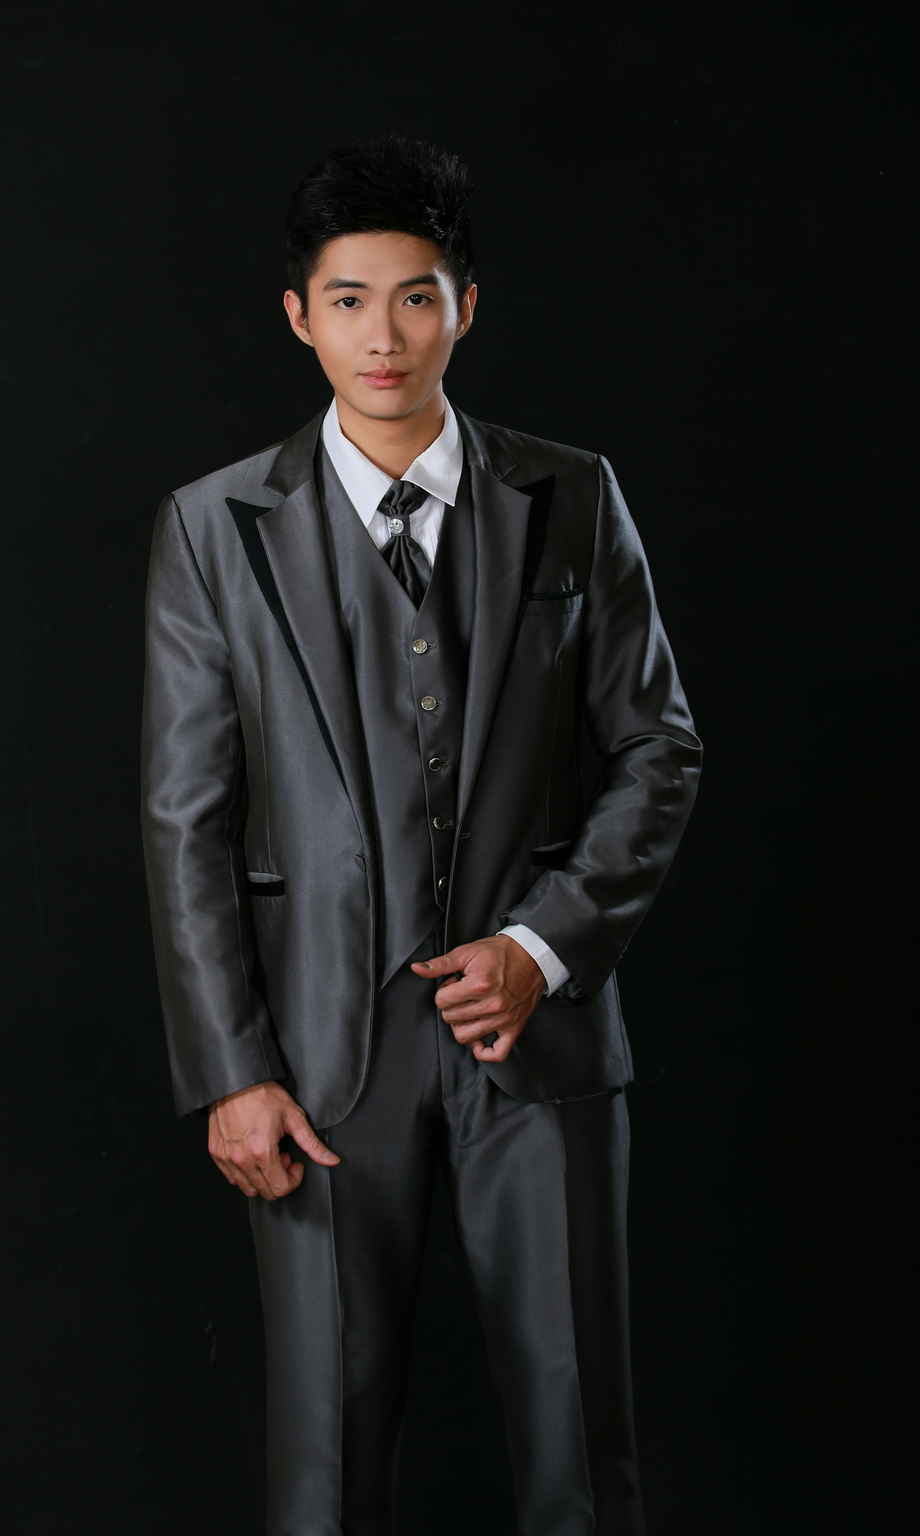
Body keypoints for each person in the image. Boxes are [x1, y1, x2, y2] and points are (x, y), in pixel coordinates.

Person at [141, 134, 701, 1536]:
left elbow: (659, 748)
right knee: (325, 1472)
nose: (382, 336)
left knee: (585, 1454)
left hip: (539, 1035)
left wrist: (544, 946)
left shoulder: (571, 495)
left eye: (414, 297)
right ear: (299, 315)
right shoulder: (213, 527)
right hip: (317, 1062)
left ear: (466, 306)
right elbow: (185, 818)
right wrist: (231, 1071)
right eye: (348, 300)